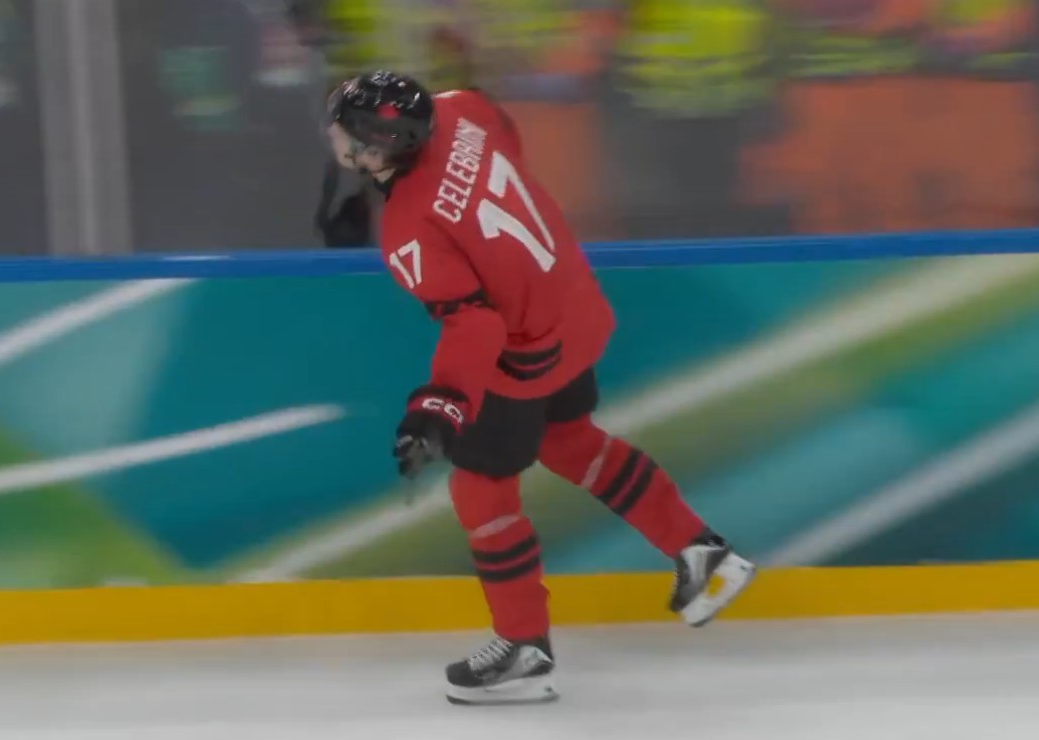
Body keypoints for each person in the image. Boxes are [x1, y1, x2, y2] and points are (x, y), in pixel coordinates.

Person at [323, 70, 756, 706]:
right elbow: (506, 141)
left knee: (481, 488)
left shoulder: (409, 228)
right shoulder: (461, 109)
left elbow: (476, 326)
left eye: (347, 133)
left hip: (526, 349)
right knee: (568, 440)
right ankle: (701, 552)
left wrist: (438, 406)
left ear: (379, 146)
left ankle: (524, 646)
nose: (336, 139)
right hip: (572, 305)